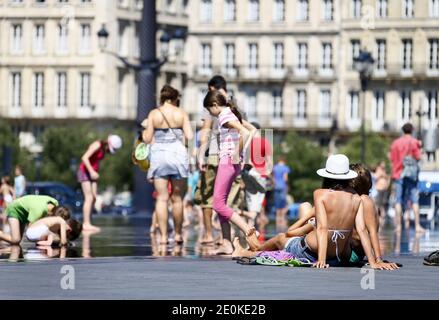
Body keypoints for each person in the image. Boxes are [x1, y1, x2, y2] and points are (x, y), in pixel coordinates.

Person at [203, 90, 260, 251]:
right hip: (233, 164)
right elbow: (253, 130)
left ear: (214, 105)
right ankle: (227, 244)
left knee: (218, 205)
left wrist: (235, 152)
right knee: (222, 203)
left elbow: (246, 132)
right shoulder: (231, 113)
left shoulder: (224, 115)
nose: (210, 114)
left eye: (209, 110)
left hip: (228, 161)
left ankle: (248, 230)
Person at [195, 75, 243, 252]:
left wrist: (200, 154)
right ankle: (227, 242)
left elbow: (206, 131)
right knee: (228, 200)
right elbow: (245, 126)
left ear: (211, 88)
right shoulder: (234, 104)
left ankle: (211, 234)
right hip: (232, 157)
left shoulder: (214, 105)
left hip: (219, 155)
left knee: (211, 199)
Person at [143, 84, 193, 245]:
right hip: (178, 155)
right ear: (174, 98)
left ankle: (163, 237)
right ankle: (178, 234)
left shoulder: (154, 114)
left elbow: (147, 138)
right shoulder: (181, 113)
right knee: (177, 199)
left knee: (162, 199)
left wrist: (145, 130)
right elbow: (190, 136)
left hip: (159, 156)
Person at [78, 134, 122, 232]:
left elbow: (95, 161)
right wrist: (92, 171)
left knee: (93, 198)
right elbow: (84, 157)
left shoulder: (102, 149)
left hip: (92, 173)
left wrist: (95, 172)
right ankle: (86, 223)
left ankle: (88, 221)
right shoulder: (97, 145)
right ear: (108, 144)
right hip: (85, 171)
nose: (109, 152)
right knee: (88, 197)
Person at [389, 123, 425, 233]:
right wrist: (420, 148)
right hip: (411, 174)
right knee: (414, 200)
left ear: (403, 131)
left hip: (398, 174)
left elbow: (392, 159)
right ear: (412, 130)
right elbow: (418, 157)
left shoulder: (395, 143)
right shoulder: (414, 142)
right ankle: (418, 226)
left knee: (398, 201)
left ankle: (398, 226)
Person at [0, 195, 70, 245]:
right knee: (15, 240)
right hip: (15, 210)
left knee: (18, 240)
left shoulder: (55, 203)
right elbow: (31, 228)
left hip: (24, 211)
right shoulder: (38, 211)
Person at [243, 122, 272, 227]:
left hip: (248, 173)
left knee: (251, 201)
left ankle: (250, 226)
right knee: (257, 203)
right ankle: (248, 220)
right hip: (260, 174)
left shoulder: (246, 142)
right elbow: (269, 161)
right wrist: (268, 174)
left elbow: (245, 160)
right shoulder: (265, 142)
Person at [272, 156, 291, 227]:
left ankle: (277, 220)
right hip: (283, 186)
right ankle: (282, 220)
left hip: (276, 187)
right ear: (284, 161)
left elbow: (273, 178)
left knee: (277, 204)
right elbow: (285, 178)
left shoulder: (275, 167)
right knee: (283, 204)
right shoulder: (285, 168)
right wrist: (287, 186)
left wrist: (274, 185)